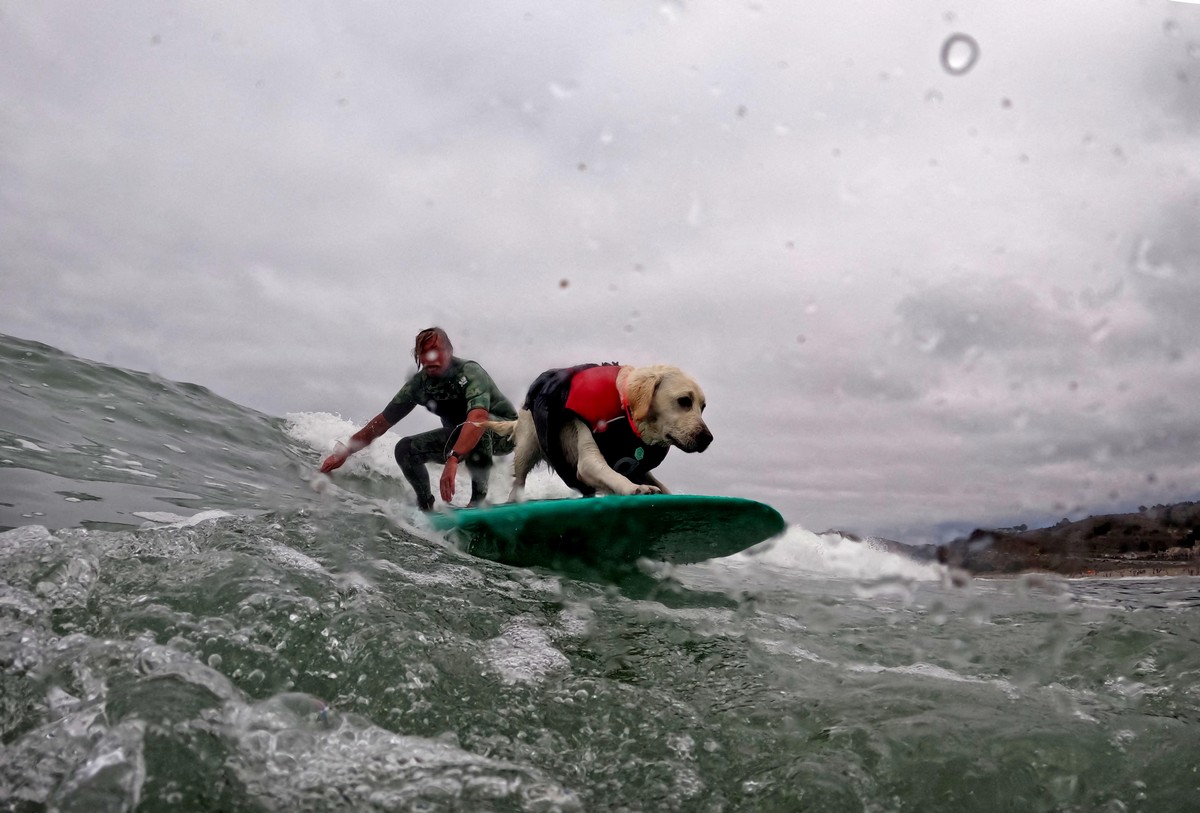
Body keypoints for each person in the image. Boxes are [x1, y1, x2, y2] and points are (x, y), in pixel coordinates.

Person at [319, 327, 518, 510]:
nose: (430, 356)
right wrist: (346, 452)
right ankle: (426, 507)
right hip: (458, 438)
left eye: (436, 350)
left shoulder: (469, 372)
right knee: (404, 449)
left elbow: (478, 418)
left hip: (505, 434)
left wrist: (453, 458)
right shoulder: (419, 385)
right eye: (424, 352)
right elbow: (381, 422)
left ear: (449, 351)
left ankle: (477, 503)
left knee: (477, 425)